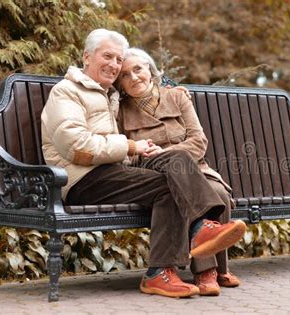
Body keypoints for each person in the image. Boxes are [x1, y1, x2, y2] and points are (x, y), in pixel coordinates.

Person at [41, 28, 246, 298]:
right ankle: (190, 242)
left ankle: (173, 261)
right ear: (86, 57)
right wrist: (131, 146)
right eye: (108, 57)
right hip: (80, 179)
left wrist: (169, 96)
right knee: (168, 186)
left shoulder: (108, 95)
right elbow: (75, 146)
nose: (115, 65)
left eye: (118, 59)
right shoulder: (67, 92)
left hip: (113, 172)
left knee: (175, 163)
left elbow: (146, 97)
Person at [115, 48, 241, 296]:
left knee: (218, 191)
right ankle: (208, 271)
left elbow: (198, 141)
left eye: (138, 69)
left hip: (194, 168)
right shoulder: (120, 109)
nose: (133, 77)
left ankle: (208, 270)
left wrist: (168, 152)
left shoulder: (177, 98)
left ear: (150, 71)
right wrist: (148, 154)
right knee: (178, 187)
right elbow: (123, 151)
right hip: (150, 173)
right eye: (125, 75)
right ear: (120, 83)